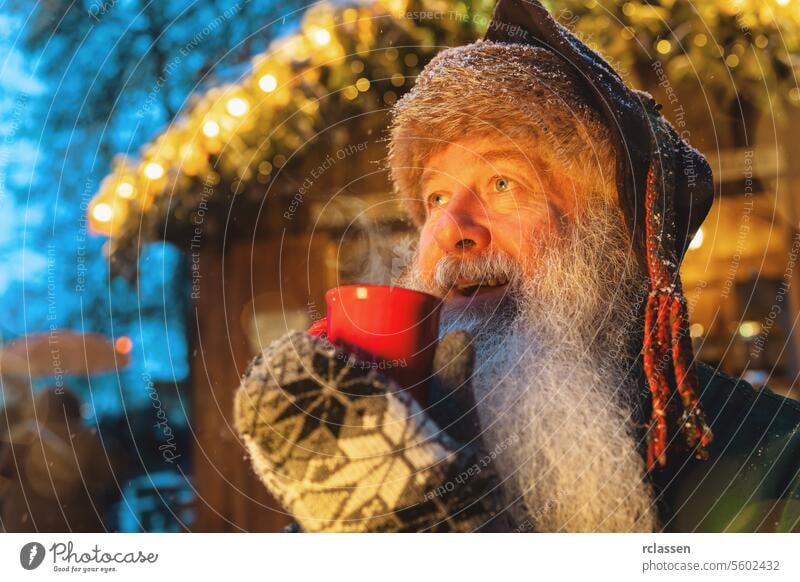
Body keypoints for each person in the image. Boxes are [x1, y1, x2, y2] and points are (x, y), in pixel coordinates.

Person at [234, 0, 800, 532]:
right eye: (434, 198)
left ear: (614, 236)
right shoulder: (377, 432)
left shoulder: (773, 455)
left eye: (502, 184)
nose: (452, 229)